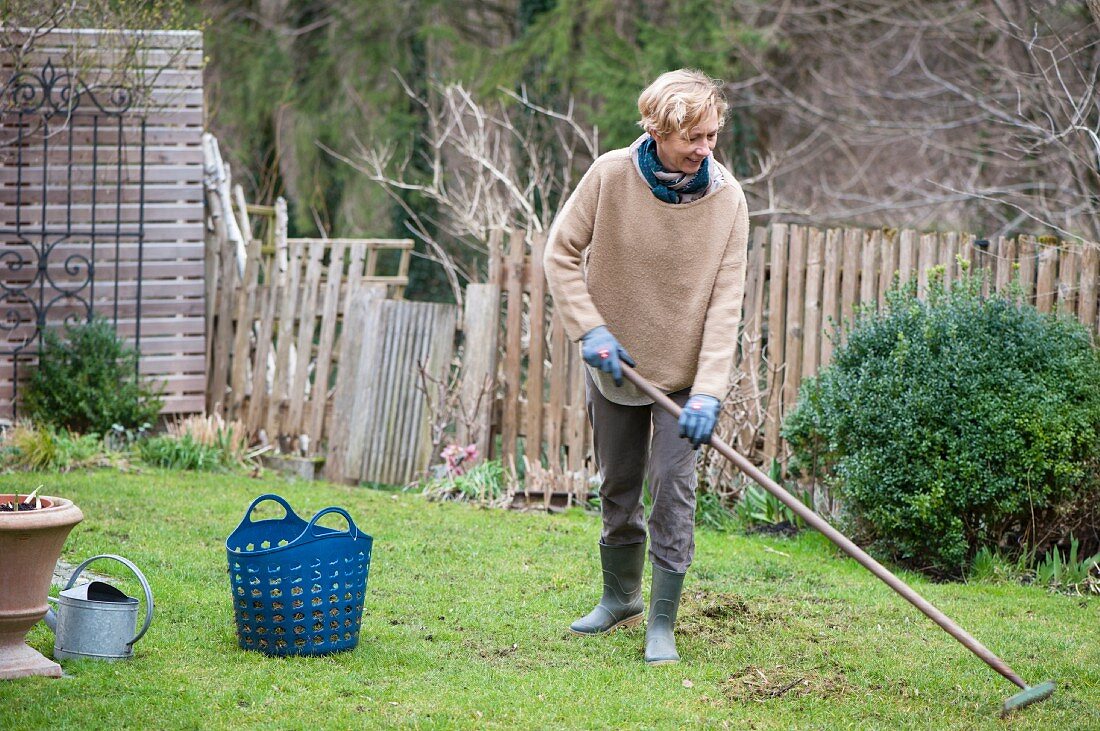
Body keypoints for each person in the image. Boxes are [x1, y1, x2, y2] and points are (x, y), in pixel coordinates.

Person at [543, 69, 749, 666]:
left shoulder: (727, 199)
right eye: (695, 138)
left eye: (712, 136)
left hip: (685, 383)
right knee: (619, 486)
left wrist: (709, 392)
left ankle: (662, 622)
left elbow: (725, 303)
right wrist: (591, 328)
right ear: (659, 129)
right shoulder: (609, 176)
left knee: (674, 494)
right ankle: (620, 598)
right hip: (617, 366)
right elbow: (560, 251)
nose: (706, 149)